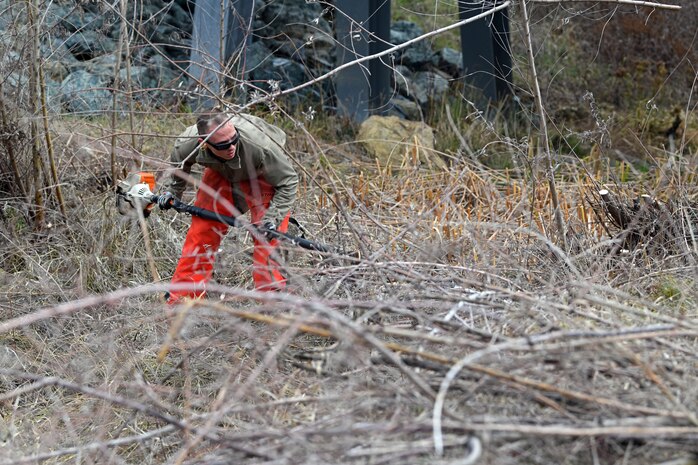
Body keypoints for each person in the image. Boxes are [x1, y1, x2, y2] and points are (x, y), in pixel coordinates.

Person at [162, 111, 298, 304]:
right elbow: (180, 165)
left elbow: (289, 181)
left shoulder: (262, 147)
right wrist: (173, 193)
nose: (231, 147)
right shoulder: (187, 144)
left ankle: (273, 302)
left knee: (266, 236)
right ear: (204, 142)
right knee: (202, 231)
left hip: (262, 172)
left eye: (234, 140)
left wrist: (272, 218)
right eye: (224, 145)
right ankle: (183, 298)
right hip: (223, 172)